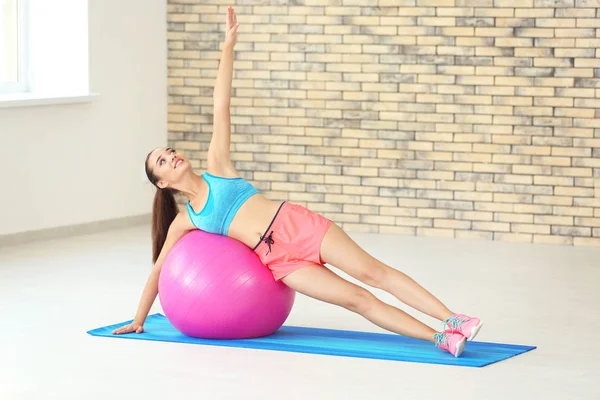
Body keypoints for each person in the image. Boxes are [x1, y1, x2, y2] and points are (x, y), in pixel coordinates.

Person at [113, 7, 482, 357]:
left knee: (374, 273)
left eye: (170, 150)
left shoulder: (217, 165)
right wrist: (139, 319)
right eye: (163, 161)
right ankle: (441, 339)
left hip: (297, 225)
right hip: (281, 262)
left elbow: (220, 105)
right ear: (162, 183)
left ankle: (453, 318)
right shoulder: (186, 220)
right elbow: (159, 271)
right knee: (358, 300)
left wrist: (228, 47)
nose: (172, 155)